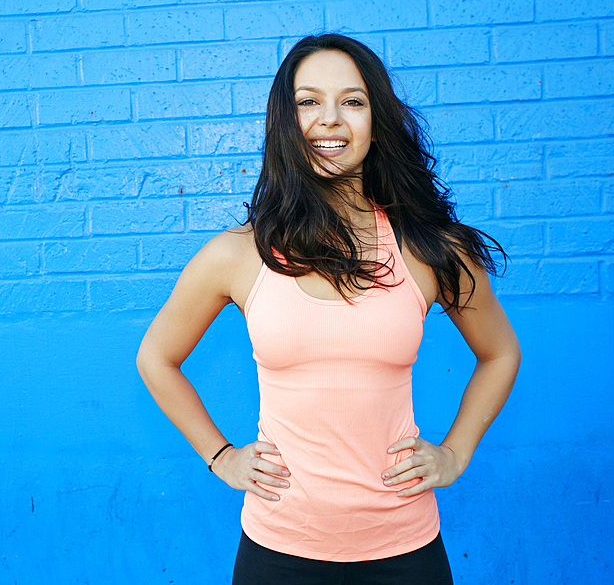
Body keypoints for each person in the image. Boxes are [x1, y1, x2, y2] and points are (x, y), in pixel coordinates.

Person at [136, 34, 521, 584]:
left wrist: (454, 455)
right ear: (286, 121)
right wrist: (222, 457)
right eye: (308, 101)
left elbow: (500, 353)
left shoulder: (429, 248)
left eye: (353, 101)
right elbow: (155, 356)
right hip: (279, 547)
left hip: (404, 547)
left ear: (376, 119)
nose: (330, 120)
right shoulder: (238, 254)